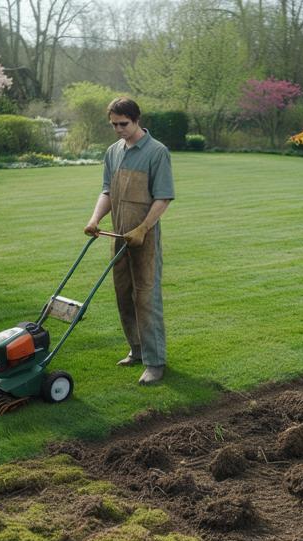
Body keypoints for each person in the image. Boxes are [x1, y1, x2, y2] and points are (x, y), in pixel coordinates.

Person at [84, 97, 175, 386]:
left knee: (146, 298)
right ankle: (136, 350)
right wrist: (94, 219)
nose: (118, 129)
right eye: (113, 125)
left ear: (137, 120)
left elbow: (163, 197)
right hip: (118, 236)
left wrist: (143, 228)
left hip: (144, 238)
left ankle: (155, 362)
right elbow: (107, 191)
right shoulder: (113, 152)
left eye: (123, 124)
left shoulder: (157, 152)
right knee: (123, 295)